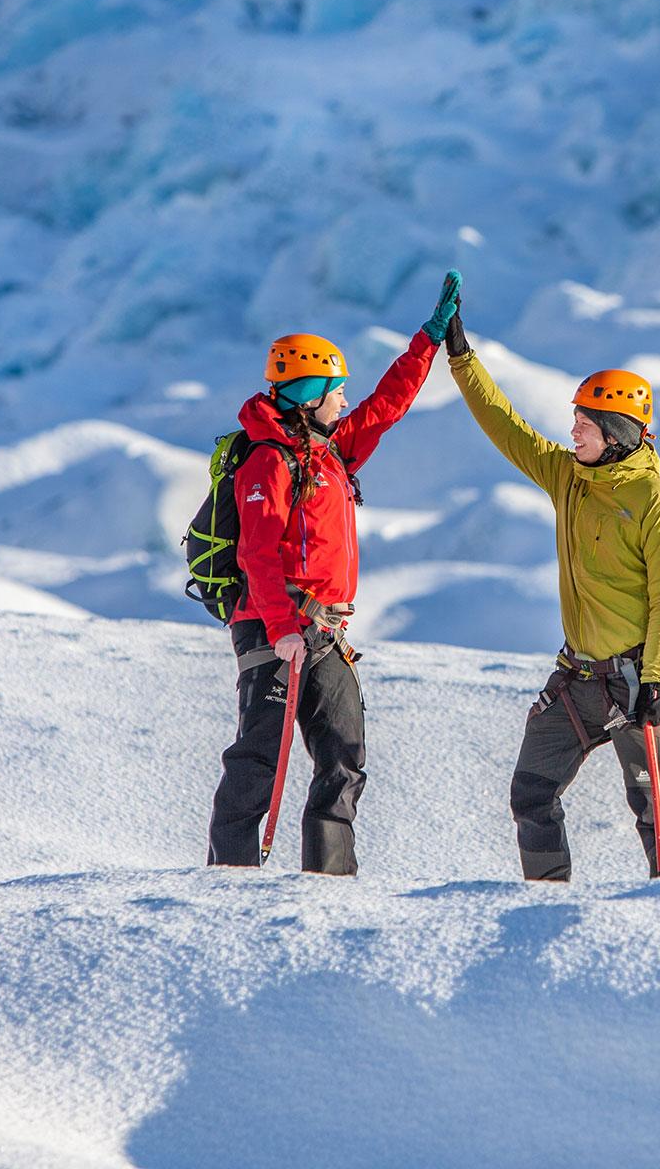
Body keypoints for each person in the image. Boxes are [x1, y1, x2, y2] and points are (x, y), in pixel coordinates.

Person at [205, 276, 457, 874]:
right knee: (260, 758)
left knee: (344, 755)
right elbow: (258, 556)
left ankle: (329, 882)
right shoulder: (269, 460)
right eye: (336, 391)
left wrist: (429, 339)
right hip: (277, 628)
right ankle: (229, 880)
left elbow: (386, 406)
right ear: (310, 393)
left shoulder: (332, 451)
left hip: (326, 632)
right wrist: (281, 627)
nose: (344, 401)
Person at [442, 290, 660, 881]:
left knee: (655, 811)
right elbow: (507, 428)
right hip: (577, 679)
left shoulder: (657, 502)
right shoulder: (568, 477)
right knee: (531, 794)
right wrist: (461, 357)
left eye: (585, 423)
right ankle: (546, 905)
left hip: (634, 682)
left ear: (615, 431)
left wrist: (656, 679)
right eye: (574, 420)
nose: (572, 431)